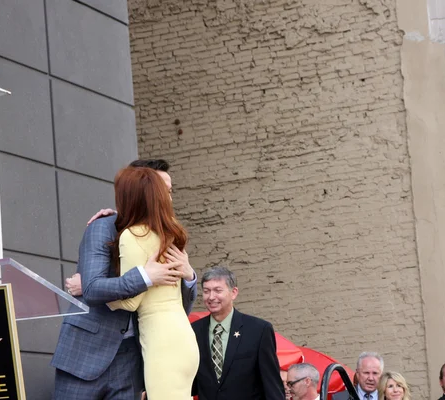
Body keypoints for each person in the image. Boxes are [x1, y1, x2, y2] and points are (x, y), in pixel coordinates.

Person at [52, 159, 198, 400]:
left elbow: (178, 308)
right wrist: (145, 277)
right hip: (86, 352)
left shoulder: (166, 236)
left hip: (133, 358)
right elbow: (93, 288)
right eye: (161, 189)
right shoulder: (104, 226)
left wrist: (189, 276)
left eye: (169, 191)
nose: (167, 198)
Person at [105, 166, 199, 399]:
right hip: (183, 337)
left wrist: (93, 292)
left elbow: (130, 303)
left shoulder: (132, 235)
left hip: (161, 342)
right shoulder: (169, 234)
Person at [191, 266, 285, 400]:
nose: (211, 297)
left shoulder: (258, 330)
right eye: (206, 291)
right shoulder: (193, 331)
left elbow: (272, 385)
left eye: (218, 290)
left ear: (233, 292)